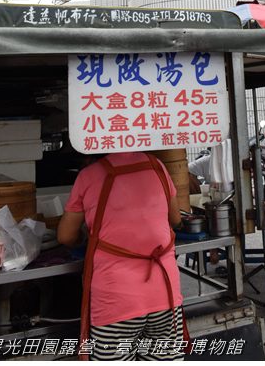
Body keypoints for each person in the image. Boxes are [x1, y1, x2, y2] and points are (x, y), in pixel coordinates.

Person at [57, 151, 185, 361]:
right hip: (165, 293)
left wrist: (84, 238)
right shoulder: (157, 166)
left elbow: (65, 235)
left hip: (116, 301)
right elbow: (175, 218)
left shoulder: (88, 176)